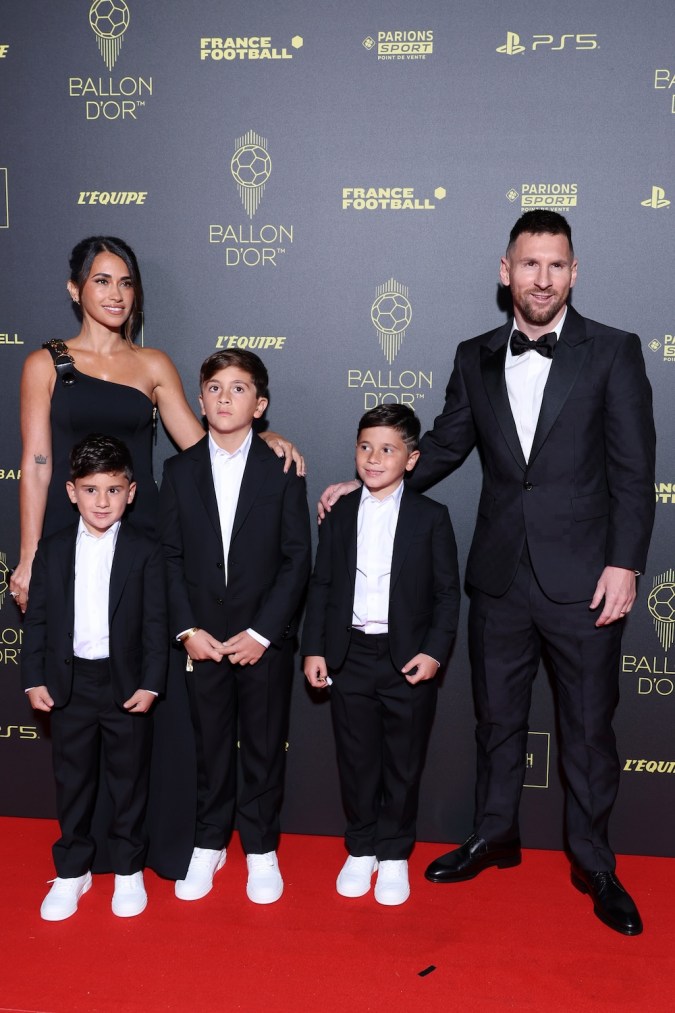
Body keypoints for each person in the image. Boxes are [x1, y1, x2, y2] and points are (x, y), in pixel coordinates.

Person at [320, 211, 656, 935]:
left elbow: (635, 470)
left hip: (585, 579)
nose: (541, 278)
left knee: (587, 730)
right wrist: (371, 486)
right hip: (499, 576)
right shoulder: (474, 355)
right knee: (497, 720)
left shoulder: (614, 351)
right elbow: (442, 446)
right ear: (505, 270)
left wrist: (625, 561)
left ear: (573, 271)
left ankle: (595, 862)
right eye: (528, 264)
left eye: (555, 265)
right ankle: (493, 832)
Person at [9, 235, 301, 880]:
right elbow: (35, 463)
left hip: (145, 547)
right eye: (102, 281)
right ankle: (85, 858)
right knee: (82, 699)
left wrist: (260, 434)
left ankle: (159, 850)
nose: (115, 295)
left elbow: (207, 445)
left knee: (148, 697)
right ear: (75, 289)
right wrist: (29, 556)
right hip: (72, 536)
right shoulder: (44, 364)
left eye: (126, 283)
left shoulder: (154, 364)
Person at [160, 349, 311, 905]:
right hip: (201, 640)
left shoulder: (283, 467)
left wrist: (264, 633)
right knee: (209, 746)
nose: (226, 398)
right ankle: (208, 843)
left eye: (239, 389)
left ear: (260, 404)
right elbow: (169, 558)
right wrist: (186, 630)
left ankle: (262, 849)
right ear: (200, 402)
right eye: (215, 388)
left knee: (265, 748)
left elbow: (298, 558)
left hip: (262, 643)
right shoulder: (177, 472)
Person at [302, 405, 459, 906]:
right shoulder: (339, 511)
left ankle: (393, 855)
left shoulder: (432, 518)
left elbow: (447, 596)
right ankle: (361, 847)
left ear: (410, 460)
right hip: (349, 654)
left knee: (403, 763)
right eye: (365, 447)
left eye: (388, 449)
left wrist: (434, 652)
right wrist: (315, 649)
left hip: (406, 661)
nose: (373, 458)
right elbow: (322, 583)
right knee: (357, 759)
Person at [21, 434, 167, 921]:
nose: (101, 501)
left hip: (125, 685)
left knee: (129, 783)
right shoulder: (54, 548)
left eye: (113, 489)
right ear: (70, 492)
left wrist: (150, 682)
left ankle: (128, 869)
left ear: (131, 492)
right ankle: (73, 871)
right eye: (90, 490)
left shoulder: (146, 550)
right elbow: (37, 618)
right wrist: (33, 677)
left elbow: (155, 623)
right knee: (74, 781)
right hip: (69, 686)